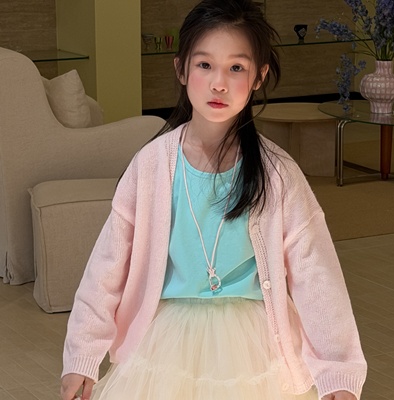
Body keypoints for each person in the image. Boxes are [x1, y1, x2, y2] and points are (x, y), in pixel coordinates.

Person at [60, 0, 367, 399]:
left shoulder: (278, 173)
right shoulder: (151, 165)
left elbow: (317, 276)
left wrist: (338, 374)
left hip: (255, 347)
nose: (218, 83)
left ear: (259, 77)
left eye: (236, 67)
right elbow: (106, 267)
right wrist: (82, 356)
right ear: (181, 69)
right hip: (165, 344)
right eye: (205, 64)